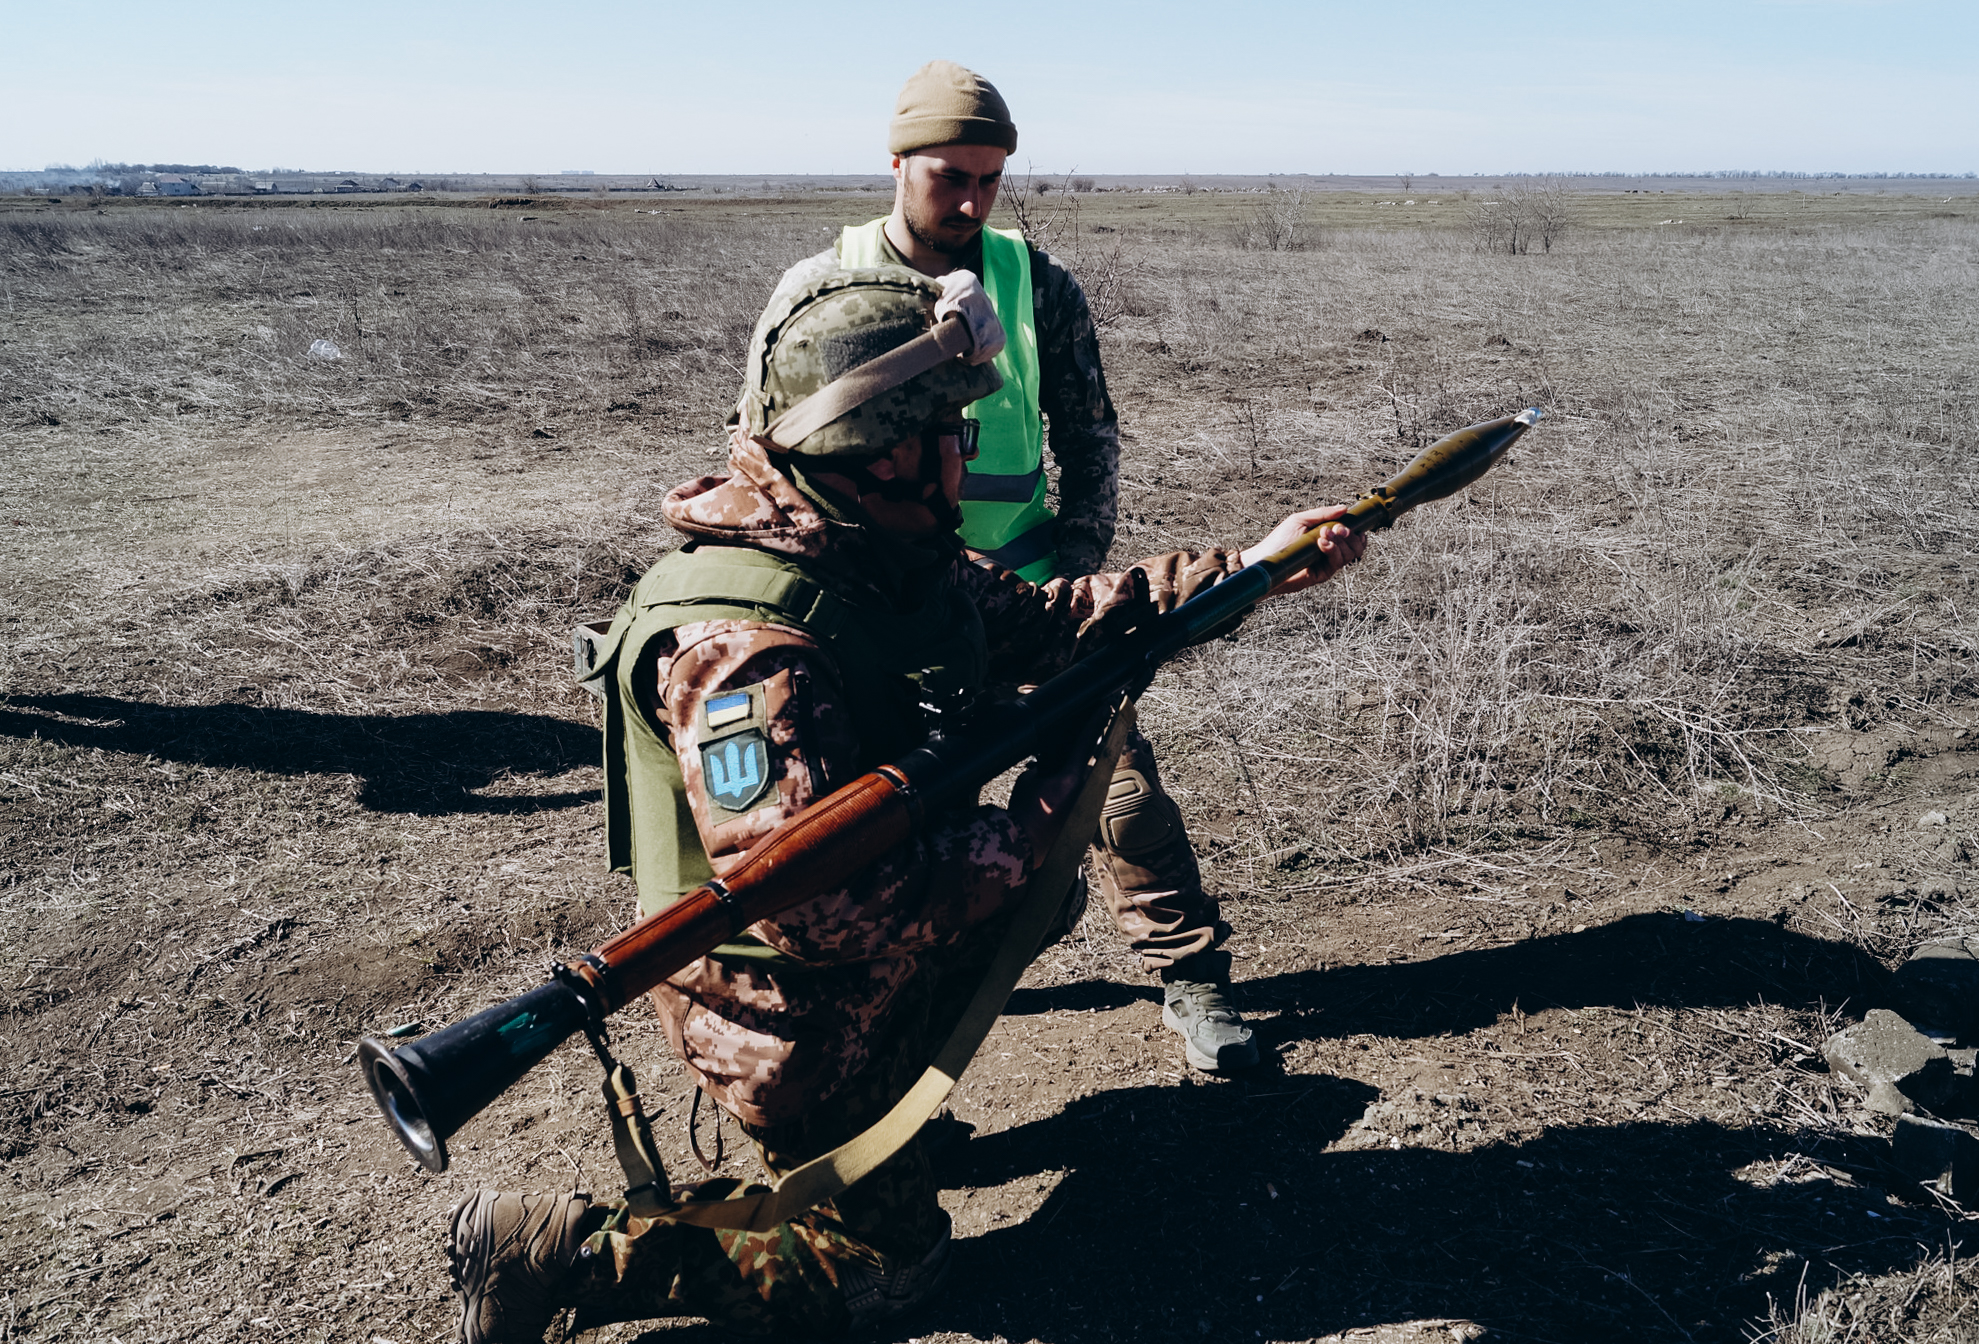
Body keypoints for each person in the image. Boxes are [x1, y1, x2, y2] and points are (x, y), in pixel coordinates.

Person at [449, 269, 1365, 1340]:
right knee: (888, 1276)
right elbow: (817, 908)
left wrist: (1252, 569)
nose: (968, 456)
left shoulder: (875, 548)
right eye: (955, 433)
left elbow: (1049, 624)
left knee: (1037, 901)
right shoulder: (746, 649)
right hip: (775, 1003)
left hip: (858, 942)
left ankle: (881, 1109)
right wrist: (1023, 832)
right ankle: (557, 1246)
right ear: (886, 452)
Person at [768, 59, 1261, 1075]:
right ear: (895, 162)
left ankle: (1190, 975)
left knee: (1115, 790)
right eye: (950, 174)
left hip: (1030, 599)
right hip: (885, 619)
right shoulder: (821, 293)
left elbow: (1091, 442)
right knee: (878, 836)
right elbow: (769, 455)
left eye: (990, 179)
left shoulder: (1038, 285)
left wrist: (1073, 575)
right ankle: (900, 1025)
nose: (971, 199)